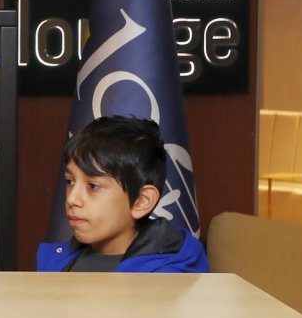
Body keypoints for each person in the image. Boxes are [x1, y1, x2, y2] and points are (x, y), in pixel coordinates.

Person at [37, 116, 209, 273]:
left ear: (141, 201)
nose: (72, 199)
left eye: (93, 186)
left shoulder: (173, 276)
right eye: (70, 181)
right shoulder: (55, 262)